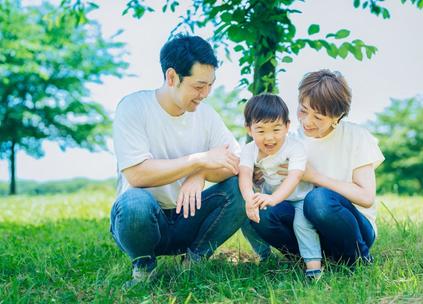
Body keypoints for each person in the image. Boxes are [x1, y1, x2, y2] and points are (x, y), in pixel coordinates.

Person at [110, 34, 245, 287]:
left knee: (243, 187)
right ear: (172, 77)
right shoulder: (133, 107)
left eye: (210, 85)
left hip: (187, 215)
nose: (205, 93)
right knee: (133, 201)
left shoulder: (206, 114)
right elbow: (137, 175)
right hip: (144, 220)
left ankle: (194, 260)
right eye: (198, 86)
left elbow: (236, 161)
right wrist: (199, 160)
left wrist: (200, 173)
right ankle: (144, 266)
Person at [252, 70, 385, 266]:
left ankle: (358, 257)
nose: (307, 121)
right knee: (261, 211)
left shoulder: (356, 136)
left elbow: (366, 197)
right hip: (306, 226)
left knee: (319, 200)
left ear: (337, 117)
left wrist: (314, 176)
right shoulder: (291, 142)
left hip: (353, 226)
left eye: (318, 117)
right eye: (303, 110)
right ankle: (309, 258)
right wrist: (259, 178)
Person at [238, 94, 323, 279]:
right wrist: (249, 199)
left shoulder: (295, 147)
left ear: (287, 126)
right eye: (260, 131)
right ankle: (264, 254)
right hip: (272, 198)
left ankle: (313, 266)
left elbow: (294, 177)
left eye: (276, 129)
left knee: (303, 224)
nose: (269, 138)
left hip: (300, 199)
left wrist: (273, 198)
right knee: (246, 217)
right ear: (249, 129)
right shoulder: (248, 149)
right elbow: (244, 175)